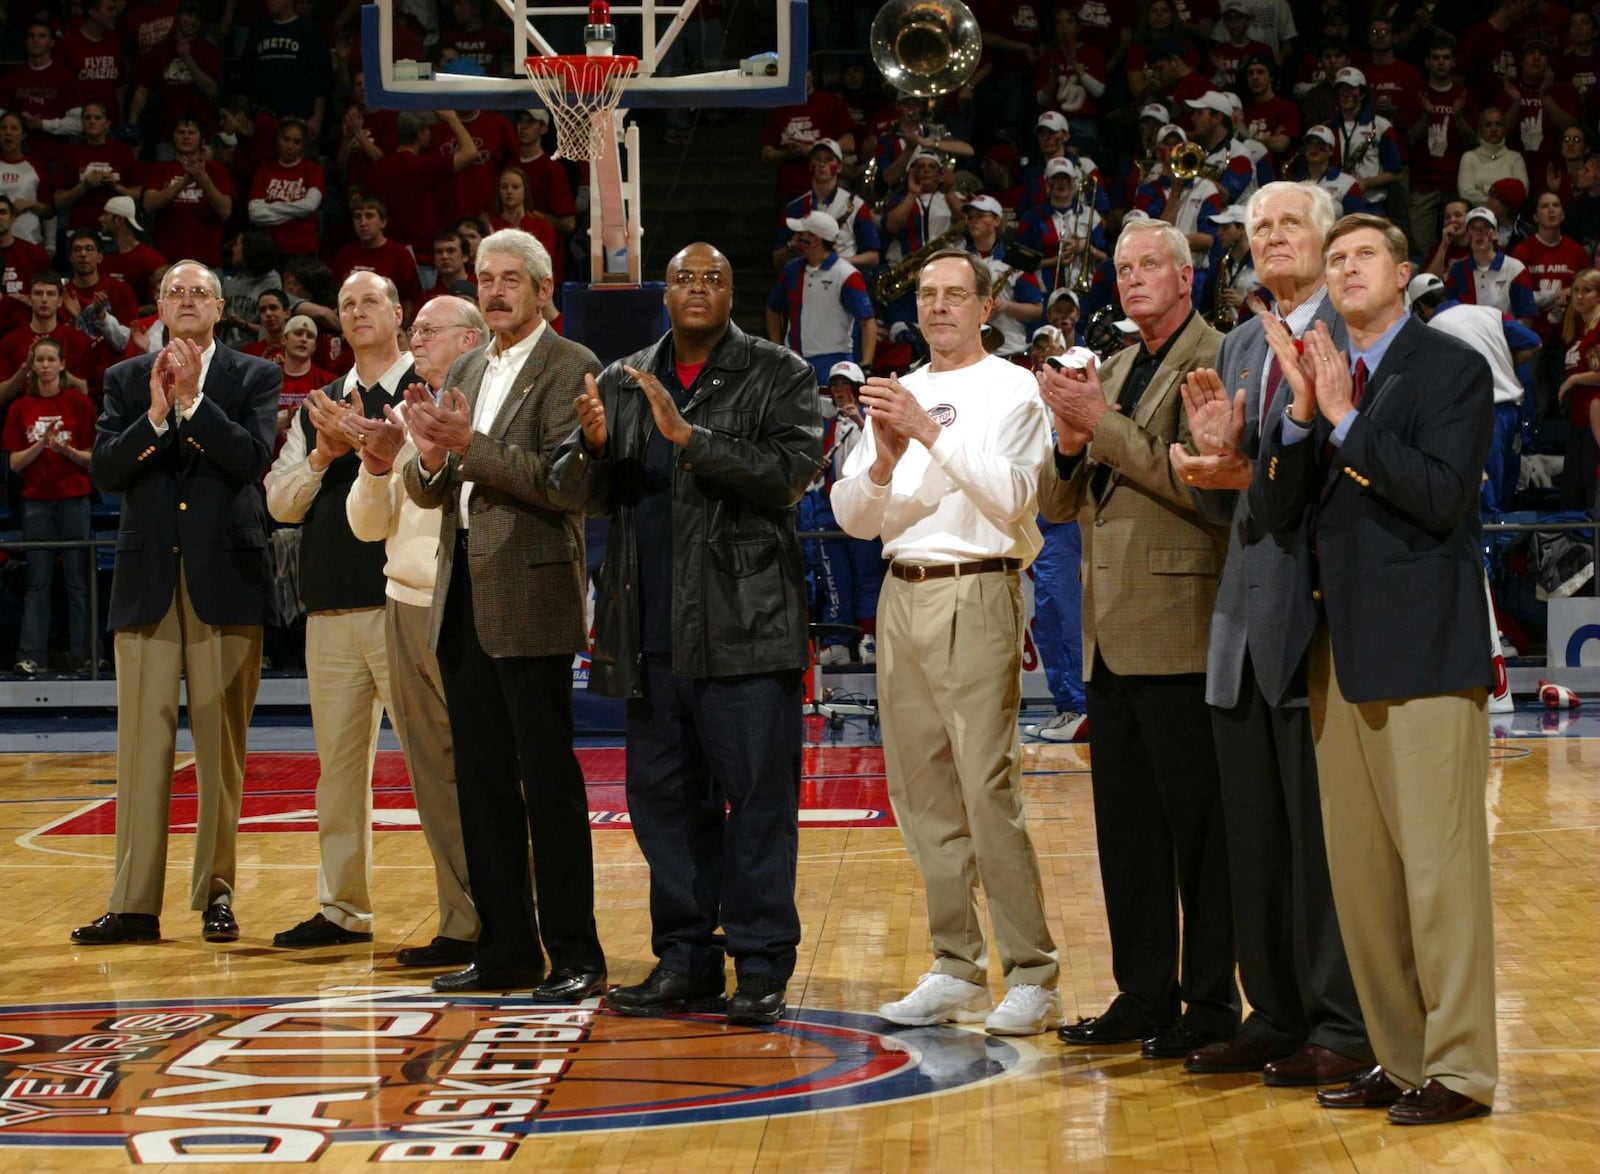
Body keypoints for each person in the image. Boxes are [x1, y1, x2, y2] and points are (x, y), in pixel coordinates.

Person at [1258, 213, 1497, 1126]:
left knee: (1440, 878)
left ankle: (1464, 1068)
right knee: (1363, 884)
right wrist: (1297, 416)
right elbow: (1282, 516)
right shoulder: (1321, 375)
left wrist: (1347, 418)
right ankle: (1400, 1059)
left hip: (1426, 654)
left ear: (1404, 275)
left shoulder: (1451, 368)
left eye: (1365, 256)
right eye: (1339, 258)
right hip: (1336, 657)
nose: (1347, 268)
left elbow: (1439, 495)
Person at [548, 241, 818, 1025]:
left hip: (747, 628)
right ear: (662, 293)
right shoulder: (622, 376)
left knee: (758, 806)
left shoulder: (780, 372)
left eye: (715, 278)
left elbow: (789, 474)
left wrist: (692, 439)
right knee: (664, 807)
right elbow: (578, 491)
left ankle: (762, 965)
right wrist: (596, 445)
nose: (698, 289)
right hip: (649, 631)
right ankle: (686, 959)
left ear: (734, 293)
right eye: (684, 279)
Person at [1167, 181, 1373, 1087]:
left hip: (1320, 622)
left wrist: (1251, 466)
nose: (1272, 237)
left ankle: (1339, 1021)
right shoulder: (1246, 340)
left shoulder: (1350, 337)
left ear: (1327, 240)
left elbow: (1328, 480)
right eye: (1259, 228)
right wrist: (1212, 469)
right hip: (1241, 622)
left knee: (1320, 845)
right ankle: (1274, 1012)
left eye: (1290, 222)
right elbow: (1237, 505)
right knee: (1254, 838)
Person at [831, 248, 1060, 1037]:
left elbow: (1012, 499)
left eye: (955, 295)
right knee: (920, 794)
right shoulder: (898, 392)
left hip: (979, 586)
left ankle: (1033, 972)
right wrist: (887, 462)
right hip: (902, 593)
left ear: (987, 305)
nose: (938, 308)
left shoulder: (1016, 388)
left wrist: (928, 433)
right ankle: (956, 966)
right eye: (927, 296)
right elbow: (854, 518)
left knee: (987, 791)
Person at [1041, 219, 1238, 1057]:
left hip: (1184, 628)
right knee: (1126, 834)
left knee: (1200, 833)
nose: (1132, 280)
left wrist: (1103, 425)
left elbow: (1205, 489)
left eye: (1149, 265)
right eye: (1122, 269)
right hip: (1109, 637)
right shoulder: (1112, 366)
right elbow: (1057, 509)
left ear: (1185, 276)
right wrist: (1067, 439)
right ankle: (1143, 996)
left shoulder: (1222, 357)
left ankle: (1211, 1008)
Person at [401, 228, 607, 1001]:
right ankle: (506, 949)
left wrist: (468, 443)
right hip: (460, 598)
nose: (494, 290)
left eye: (510, 278)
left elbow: (562, 482)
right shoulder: (467, 364)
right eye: (485, 278)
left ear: (544, 289)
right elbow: (435, 490)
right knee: (481, 785)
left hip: (531, 592)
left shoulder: (571, 366)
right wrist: (424, 453)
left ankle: (577, 953)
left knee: (547, 785)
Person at [72, 260, 280, 945]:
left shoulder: (253, 376)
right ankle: (133, 904)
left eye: (200, 292)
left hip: (227, 584)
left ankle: (215, 895)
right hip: (146, 587)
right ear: (157, 307)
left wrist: (193, 405)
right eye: (175, 292)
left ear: (220, 308)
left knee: (223, 751)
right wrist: (158, 417)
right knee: (141, 750)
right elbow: (104, 471)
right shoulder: (127, 381)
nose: (187, 300)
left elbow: (251, 460)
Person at [265, 271, 419, 950]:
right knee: (338, 774)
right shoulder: (317, 405)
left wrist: (374, 447)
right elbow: (280, 502)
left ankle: (470, 911)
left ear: (398, 313)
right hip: (327, 611)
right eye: (348, 303)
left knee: (436, 768)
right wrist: (326, 454)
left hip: (405, 606)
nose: (357, 312)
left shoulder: (427, 392)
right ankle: (342, 910)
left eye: (370, 301)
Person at [343, 294, 488, 969]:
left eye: (431, 330)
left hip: (474, 605)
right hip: (404, 605)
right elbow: (366, 528)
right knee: (432, 780)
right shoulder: (398, 416)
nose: (418, 340)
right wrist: (375, 468)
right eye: (417, 330)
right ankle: (461, 922)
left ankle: (518, 915)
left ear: (471, 339)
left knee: (492, 774)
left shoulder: (492, 408)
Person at [3, 338, 96, 673]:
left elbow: (95, 459)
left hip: (74, 498)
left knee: (78, 581)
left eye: (49, 359)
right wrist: (41, 445)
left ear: (61, 364)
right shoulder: (20, 408)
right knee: (37, 582)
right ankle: (32, 656)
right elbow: (14, 463)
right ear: (33, 366)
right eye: (39, 360)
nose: (44, 365)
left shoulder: (79, 404)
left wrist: (68, 452)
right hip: (36, 502)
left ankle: (85, 656)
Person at [766, 210, 876, 382]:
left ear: (815, 239)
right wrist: (777, 348)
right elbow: (773, 309)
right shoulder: (792, 270)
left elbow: (867, 322)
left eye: (801, 234)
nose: (795, 238)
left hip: (834, 362)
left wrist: (866, 365)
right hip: (794, 360)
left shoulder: (846, 274)